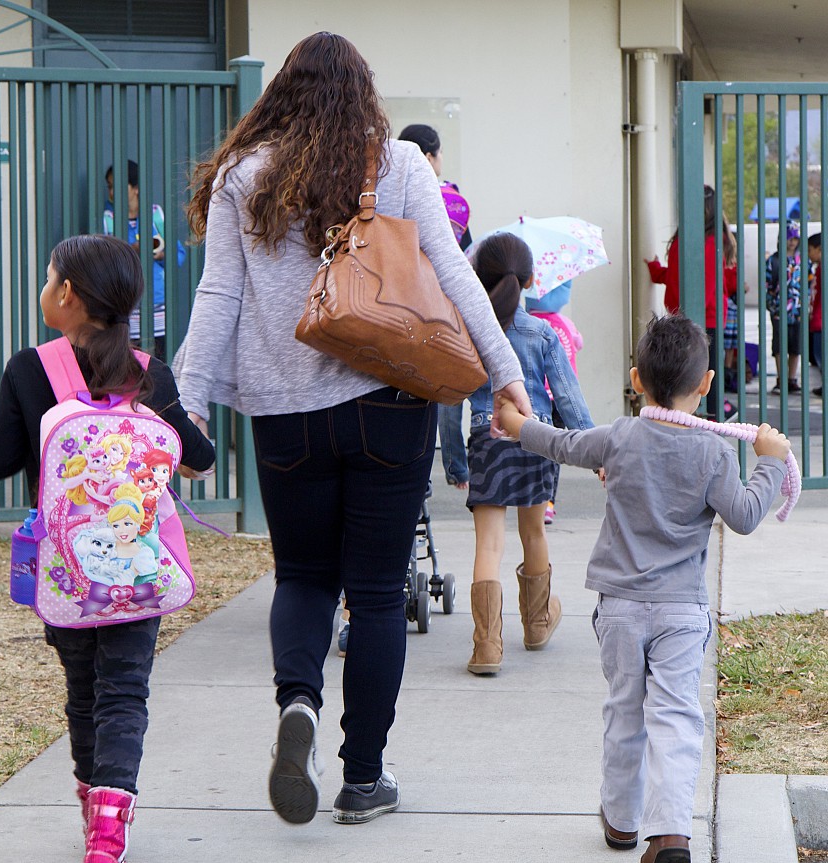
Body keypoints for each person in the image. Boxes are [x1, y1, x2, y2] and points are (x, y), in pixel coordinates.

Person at [173, 31, 531, 826]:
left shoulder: (244, 174)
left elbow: (218, 296)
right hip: (387, 408)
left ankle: (297, 702)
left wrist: (189, 401)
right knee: (375, 594)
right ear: (362, 92)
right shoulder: (398, 164)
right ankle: (363, 776)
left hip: (284, 417)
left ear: (281, 95)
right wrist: (505, 376)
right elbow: (453, 280)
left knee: (302, 577)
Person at [498, 313, 790, 863]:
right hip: (682, 610)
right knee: (676, 715)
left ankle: (622, 823)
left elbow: (562, 443)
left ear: (636, 381)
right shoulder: (714, 453)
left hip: (621, 610)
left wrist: (515, 424)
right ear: (705, 386)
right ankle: (672, 834)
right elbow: (747, 515)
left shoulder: (620, 437)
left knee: (624, 711)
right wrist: (770, 464)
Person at [0, 234, 215, 862]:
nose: (44, 288)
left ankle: (93, 805)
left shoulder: (30, 369)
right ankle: (111, 825)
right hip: (140, 566)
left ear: (68, 295)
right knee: (125, 689)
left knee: (83, 689)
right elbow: (200, 459)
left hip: (66, 570)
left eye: (48, 277)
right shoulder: (148, 373)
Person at [464, 233, 593, 675]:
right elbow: (571, 402)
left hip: (485, 438)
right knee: (534, 533)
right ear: (532, 280)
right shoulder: (543, 333)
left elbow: (447, 401)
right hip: (534, 438)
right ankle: (536, 623)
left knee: (489, 543)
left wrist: (453, 462)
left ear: (480, 279)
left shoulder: (469, 331)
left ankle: (486, 647)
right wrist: (596, 452)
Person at [398, 123, 474, 489]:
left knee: (409, 391)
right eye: (439, 153)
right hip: (444, 307)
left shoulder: (390, 189)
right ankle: (456, 469)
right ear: (429, 155)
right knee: (446, 393)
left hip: (403, 305)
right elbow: (466, 257)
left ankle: (416, 478)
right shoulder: (453, 201)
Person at [646, 185, 738, 419]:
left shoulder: (708, 242)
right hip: (690, 317)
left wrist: (688, 322)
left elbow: (703, 286)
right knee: (695, 374)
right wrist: (656, 271)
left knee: (702, 375)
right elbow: (681, 273)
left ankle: (713, 421)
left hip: (700, 319)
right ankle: (711, 417)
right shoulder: (693, 236)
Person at [103, 160, 186, 360]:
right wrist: (134, 249)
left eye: (117, 186)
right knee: (128, 369)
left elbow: (179, 255)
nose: (112, 192)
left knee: (158, 366)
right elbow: (105, 260)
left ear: (136, 188)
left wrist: (161, 254)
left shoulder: (155, 215)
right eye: (110, 187)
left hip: (158, 308)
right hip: (125, 309)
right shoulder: (108, 218)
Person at [526, 280, 585, 524]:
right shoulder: (565, 323)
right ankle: (548, 502)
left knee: (533, 446)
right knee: (554, 450)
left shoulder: (528, 324)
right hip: (560, 398)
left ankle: (531, 497)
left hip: (537, 396)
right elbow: (579, 343)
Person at [765, 222, 803, 393]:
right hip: (779, 310)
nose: (792, 242)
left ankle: (792, 378)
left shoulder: (802, 260)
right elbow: (767, 285)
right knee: (780, 346)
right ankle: (781, 379)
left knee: (796, 346)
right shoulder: (773, 260)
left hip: (798, 311)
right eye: (789, 238)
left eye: (795, 238)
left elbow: (809, 283)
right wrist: (771, 306)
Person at [807, 233, 822, 396]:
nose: (809, 254)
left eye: (810, 250)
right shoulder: (818, 268)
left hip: (820, 321)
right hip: (817, 319)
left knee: (820, 355)